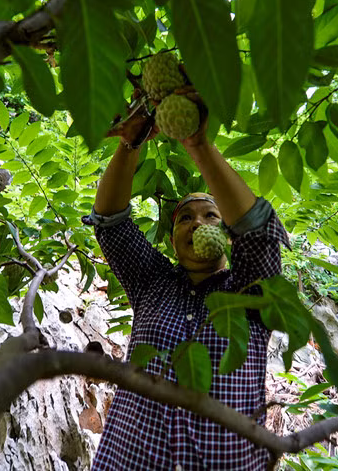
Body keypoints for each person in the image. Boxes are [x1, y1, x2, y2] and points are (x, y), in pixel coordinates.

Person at [85, 98, 290, 471]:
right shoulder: (152, 282)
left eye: (211, 215)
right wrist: (132, 142)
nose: (197, 223)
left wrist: (198, 144)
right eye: (185, 219)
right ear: (172, 240)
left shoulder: (252, 292)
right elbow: (110, 224)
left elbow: (259, 233)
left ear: (229, 236)